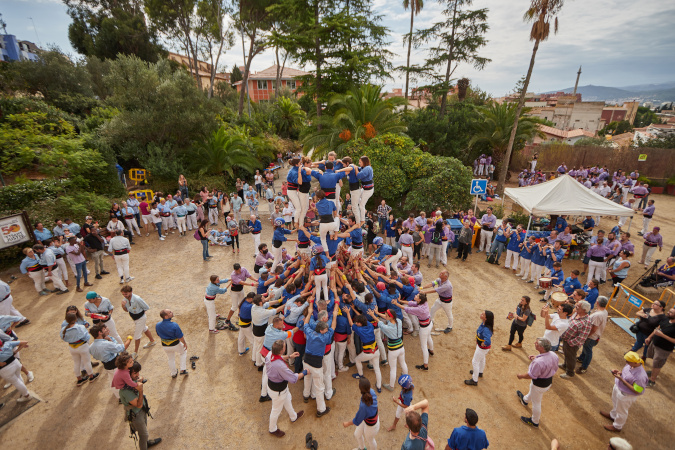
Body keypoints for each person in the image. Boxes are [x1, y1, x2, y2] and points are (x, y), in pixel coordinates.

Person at [302, 299, 337, 417]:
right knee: (319, 386)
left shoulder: (310, 332)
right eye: (325, 329)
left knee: (307, 379)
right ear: (321, 330)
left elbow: (306, 323)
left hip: (306, 360)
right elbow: (332, 327)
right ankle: (321, 409)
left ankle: (306, 395)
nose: (327, 330)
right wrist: (335, 316)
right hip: (316, 364)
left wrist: (309, 312)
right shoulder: (324, 337)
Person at [599, 352, 649, 432]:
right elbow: (628, 375)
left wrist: (622, 380)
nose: (626, 363)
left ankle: (617, 427)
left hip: (626, 395)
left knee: (621, 411)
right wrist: (619, 373)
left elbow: (637, 391)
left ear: (635, 362)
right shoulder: (630, 365)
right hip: (619, 388)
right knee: (616, 404)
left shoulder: (640, 376)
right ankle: (613, 416)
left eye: (628, 361)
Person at [515, 337, 558, 428]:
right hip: (548, 381)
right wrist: (536, 358)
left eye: (537, 344)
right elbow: (549, 364)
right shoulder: (553, 355)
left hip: (539, 385)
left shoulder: (538, 362)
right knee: (534, 393)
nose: (535, 343)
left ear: (542, 348)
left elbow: (530, 375)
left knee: (536, 402)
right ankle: (525, 400)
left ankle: (534, 421)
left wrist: (521, 376)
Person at [266, 339, 306, 437]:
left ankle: (293, 416)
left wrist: (289, 356)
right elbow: (293, 378)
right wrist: (304, 373)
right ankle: (272, 429)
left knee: (288, 398)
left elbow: (278, 357)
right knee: (276, 410)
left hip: (276, 387)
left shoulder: (270, 354)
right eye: (284, 346)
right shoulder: (280, 366)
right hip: (278, 391)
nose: (285, 347)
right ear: (281, 350)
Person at [119, 361, 162, 449]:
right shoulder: (125, 391)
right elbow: (138, 405)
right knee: (144, 435)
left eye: (138, 372)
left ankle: (146, 444)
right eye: (135, 373)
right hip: (136, 414)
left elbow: (138, 378)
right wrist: (140, 390)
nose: (138, 374)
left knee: (144, 429)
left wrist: (138, 379)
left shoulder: (131, 381)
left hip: (142, 410)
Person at [88, 322, 133, 399]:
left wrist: (109, 339)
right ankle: (125, 397)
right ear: (99, 332)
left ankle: (119, 397)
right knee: (124, 380)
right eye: (104, 329)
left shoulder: (91, 347)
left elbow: (96, 357)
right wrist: (129, 339)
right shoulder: (106, 344)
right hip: (115, 365)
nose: (106, 330)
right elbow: (122, 347)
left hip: (107, 366)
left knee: (113, 382)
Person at [371, 309, 407, 391]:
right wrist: (377, 313)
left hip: (393, 349)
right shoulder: (398, 321)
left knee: (393, 368)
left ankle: (391, 386)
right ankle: (406, 376)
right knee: (403, 363)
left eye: (386, 315)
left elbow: (380, 323)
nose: (385, 315)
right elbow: (387, 318)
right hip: (401, 346)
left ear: (390, 317)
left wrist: (373, 315)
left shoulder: (388, 328)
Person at [61, 312, 100, 386]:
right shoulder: (80, 327)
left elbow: (63, 338)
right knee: (87, 362)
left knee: (76, 363)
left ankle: (79, 379)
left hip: (72, 347)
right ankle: (91, 376)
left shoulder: (64, 329)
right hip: (82, 346)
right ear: (75, 319)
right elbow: (86, 337)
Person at [348, 312, 383, 391]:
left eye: (357, 322)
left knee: (357, 359)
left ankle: (360, 375)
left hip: (368, 353)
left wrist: (348, 312)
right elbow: (363, 319)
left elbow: (351, 323)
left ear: (361, 323)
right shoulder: (369, 325)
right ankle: (379, 386)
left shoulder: (359, 329)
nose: (356, 323)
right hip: (376, 350)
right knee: (377, 368)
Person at [343, 377, 380, 450]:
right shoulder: (372, 391)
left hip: (371, 425)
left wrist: (347, 423)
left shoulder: (364, 406)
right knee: (357, 434)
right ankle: (362, 448)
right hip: (369, 419)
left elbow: (357, 420)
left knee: (370, 440)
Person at [559, 301, 593, 379]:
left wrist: (570, 343)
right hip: (566, 339)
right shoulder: (576, 314)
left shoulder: (586, 322)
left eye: (578, 307)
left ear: (584, 310)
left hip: (572, 344)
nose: (575, 307)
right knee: (566, 354)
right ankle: (565, 365)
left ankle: (570, 372)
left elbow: (582, 337)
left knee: (571, 357)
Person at [120, 285, 156, 358]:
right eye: (123, 294)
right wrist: (123, 306)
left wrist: (142, 315)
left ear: (131, 292)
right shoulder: (125, 300)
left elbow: (146, 307)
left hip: (140, 318)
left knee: (137, 336)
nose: (124, 296)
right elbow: (127, 310)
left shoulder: (137, 299)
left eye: (126, 294)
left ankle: (135, 353)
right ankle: (152, 341)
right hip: (135, 318)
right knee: (144, 328)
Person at [644, 307, 675, 387]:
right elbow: (657, 328)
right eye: (669, 311)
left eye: (671, 312)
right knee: (655, 362)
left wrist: (662, 335)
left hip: (664, 349)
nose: (668, 313)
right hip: (655, 344)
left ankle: (652, 380)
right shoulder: (666, 319)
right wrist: (649, 337)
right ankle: (653, 372)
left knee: (657, 364)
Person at [577, 297, 609, 374]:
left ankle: (584, 367)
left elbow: (594, 328)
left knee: (588, 350)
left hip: (591, 336)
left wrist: (586, 336)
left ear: (597, 302)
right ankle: (581, 358)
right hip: (595, 335)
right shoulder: (604, 311)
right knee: (585, 348)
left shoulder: (598, 315)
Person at [465, 310, 494, 386]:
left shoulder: (486, 329)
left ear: (486, 318)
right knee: (482, 359)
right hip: (482, 348)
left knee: (475, 362)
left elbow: (488, 341)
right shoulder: (484, 324)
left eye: (483, 314)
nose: (481, 314)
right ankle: (480, 372)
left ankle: (474, 380)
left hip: (482, 348)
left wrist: (483, 343)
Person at [0, 338, 33, 404]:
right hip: (16, 363)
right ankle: (23, 392)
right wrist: (16, 351)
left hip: (6, 370)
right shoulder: (7, 343)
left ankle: (27, 396)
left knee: (16, 382)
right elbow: (25, 342)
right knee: (18, 377)